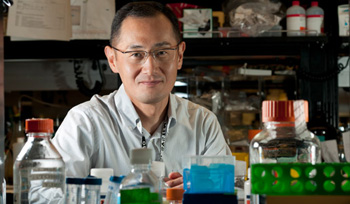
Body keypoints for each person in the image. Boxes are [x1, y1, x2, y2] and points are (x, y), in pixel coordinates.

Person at [52, 1, 231, 188]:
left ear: (179, 55)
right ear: (112, 59)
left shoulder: (203, 124)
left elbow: (228, 189)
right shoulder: (85, 122)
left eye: (162, 52)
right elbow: (48, 196)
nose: (150, 68)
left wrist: (198, 191)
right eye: (136, 54)